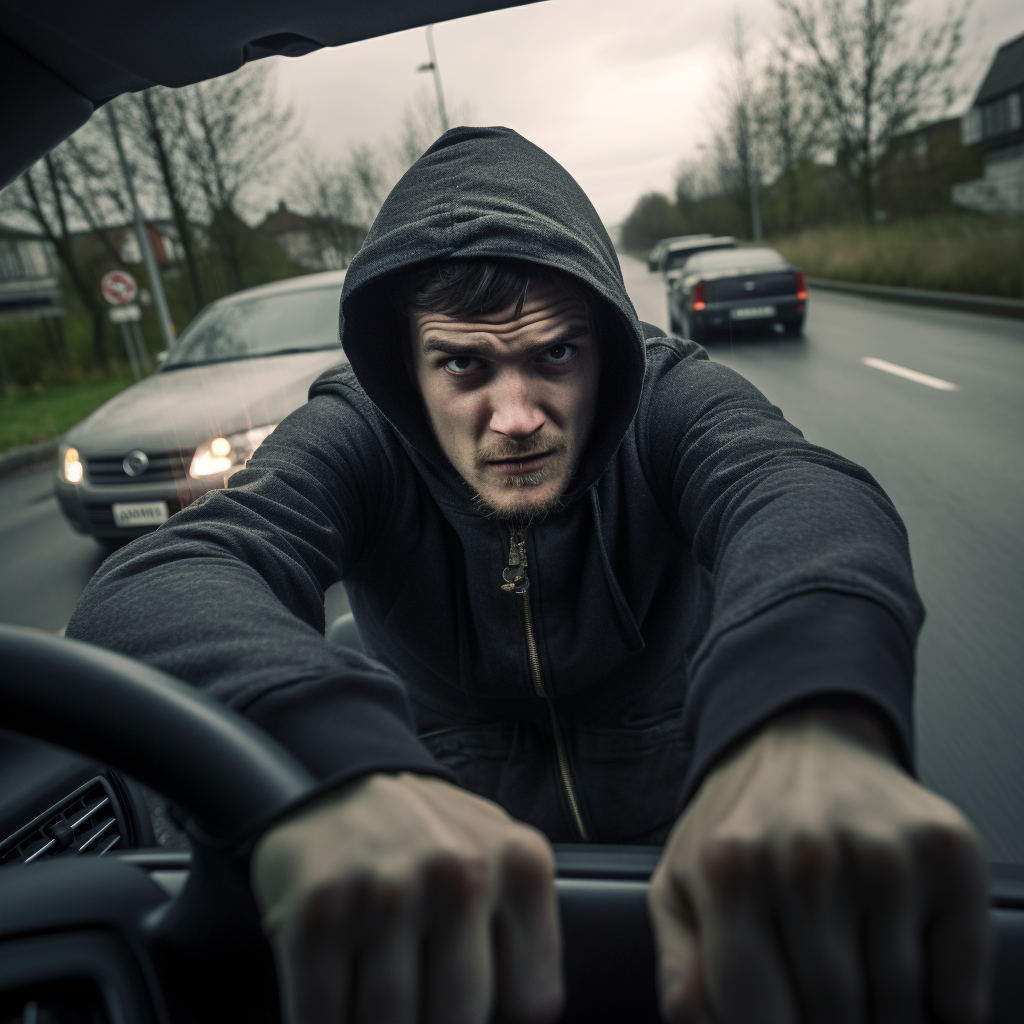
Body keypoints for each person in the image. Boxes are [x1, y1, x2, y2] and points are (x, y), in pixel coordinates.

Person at [67, 126, 989, 1024]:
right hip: (446, 890)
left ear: (605, 343)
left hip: (696, 854)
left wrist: (801, 707)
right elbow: (171, 573)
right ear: (405, 366)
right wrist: (332, 767)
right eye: (465, 364)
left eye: (554, 353)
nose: (515, 415)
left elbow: (799, 492)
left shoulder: (667, 393)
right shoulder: (360, 431)